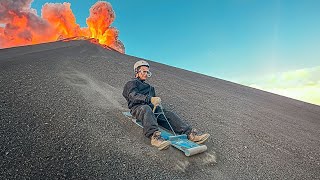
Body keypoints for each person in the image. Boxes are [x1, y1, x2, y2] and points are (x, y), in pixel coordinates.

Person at [122, 60, 210, 150]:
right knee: (146, 108)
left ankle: (190, 134)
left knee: (168, 114)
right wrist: (149, 99)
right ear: (137, 71)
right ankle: (154, 137)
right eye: (144, 71)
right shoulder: (131, 83)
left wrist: (156, 103)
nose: (146, 74)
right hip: (138, 109)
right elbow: (132, 95)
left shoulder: (150, 88)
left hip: (151, 110)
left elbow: (153, 100)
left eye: (147, 72)